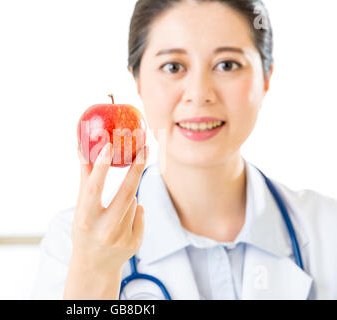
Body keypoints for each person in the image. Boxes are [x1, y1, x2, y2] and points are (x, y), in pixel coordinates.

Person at [32, 0, 337, 300]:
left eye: (227, 65)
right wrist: (94, 273)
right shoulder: (72, 243)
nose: (199, 93)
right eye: (173, 66)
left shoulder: (327, 229)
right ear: (137, 80)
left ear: (266, 76)